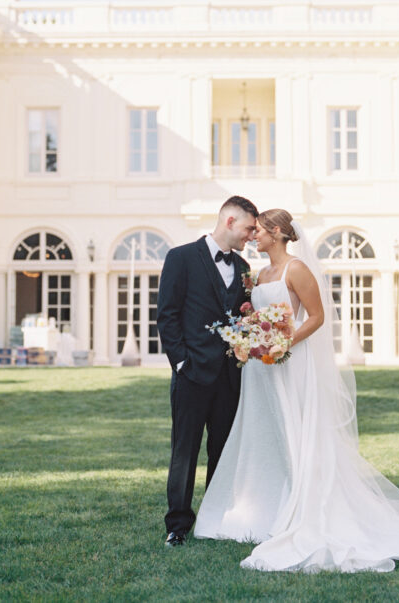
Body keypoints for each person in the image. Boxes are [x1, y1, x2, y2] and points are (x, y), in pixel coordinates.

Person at [193, 209, 399, 572]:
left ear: (277, 233)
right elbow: (260, 315)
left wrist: (283, 343)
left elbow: (316, 317)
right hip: (262, 370)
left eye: (259, 231)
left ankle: (307, 506)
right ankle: (267, 508)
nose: (253, 236)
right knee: (268, 434)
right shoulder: (259, 274)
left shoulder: (296, 269)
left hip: (289, 362)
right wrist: (253, 337)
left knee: (298, 433)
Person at [156, 195, 259, 548]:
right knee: (184, 451)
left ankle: (215, 519)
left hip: (230, 377)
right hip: (191, 373)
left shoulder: (245, 269)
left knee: (222, 450)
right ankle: (178, 525)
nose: (250, 236)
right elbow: (167, 315)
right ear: (229, 221)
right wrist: (181, 362)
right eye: (248, 228)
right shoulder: (181, 257)